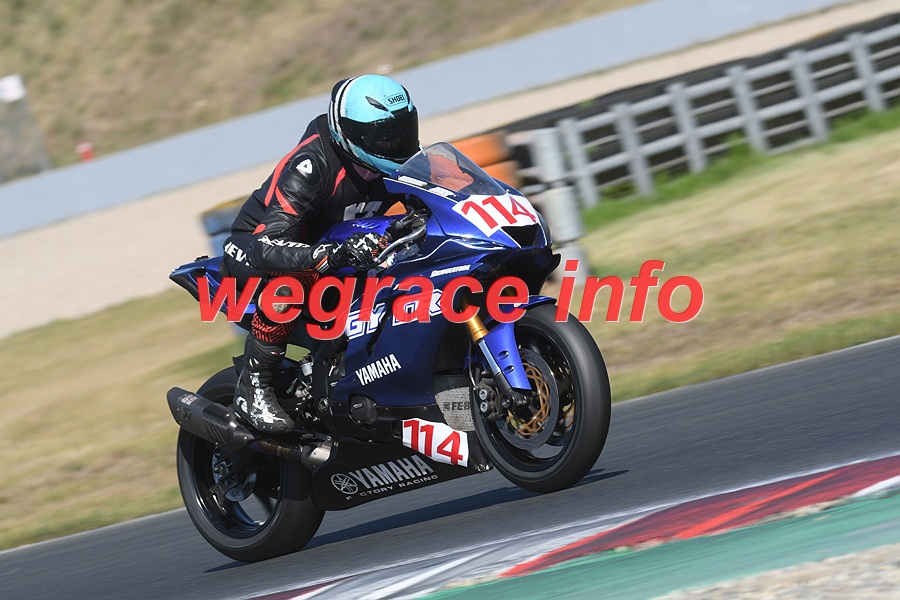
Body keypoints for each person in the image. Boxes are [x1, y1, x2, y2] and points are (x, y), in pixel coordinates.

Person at [222, 74, 420, 433]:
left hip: (337, 246)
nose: (396, 143)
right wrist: (327, 255)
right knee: (290, 284)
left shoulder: (400, 160)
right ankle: (255, 386)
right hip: (256, 247)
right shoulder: (311, 166)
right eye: (384, 136)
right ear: (352, 135)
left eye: (402, 131)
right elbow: (265, 245)